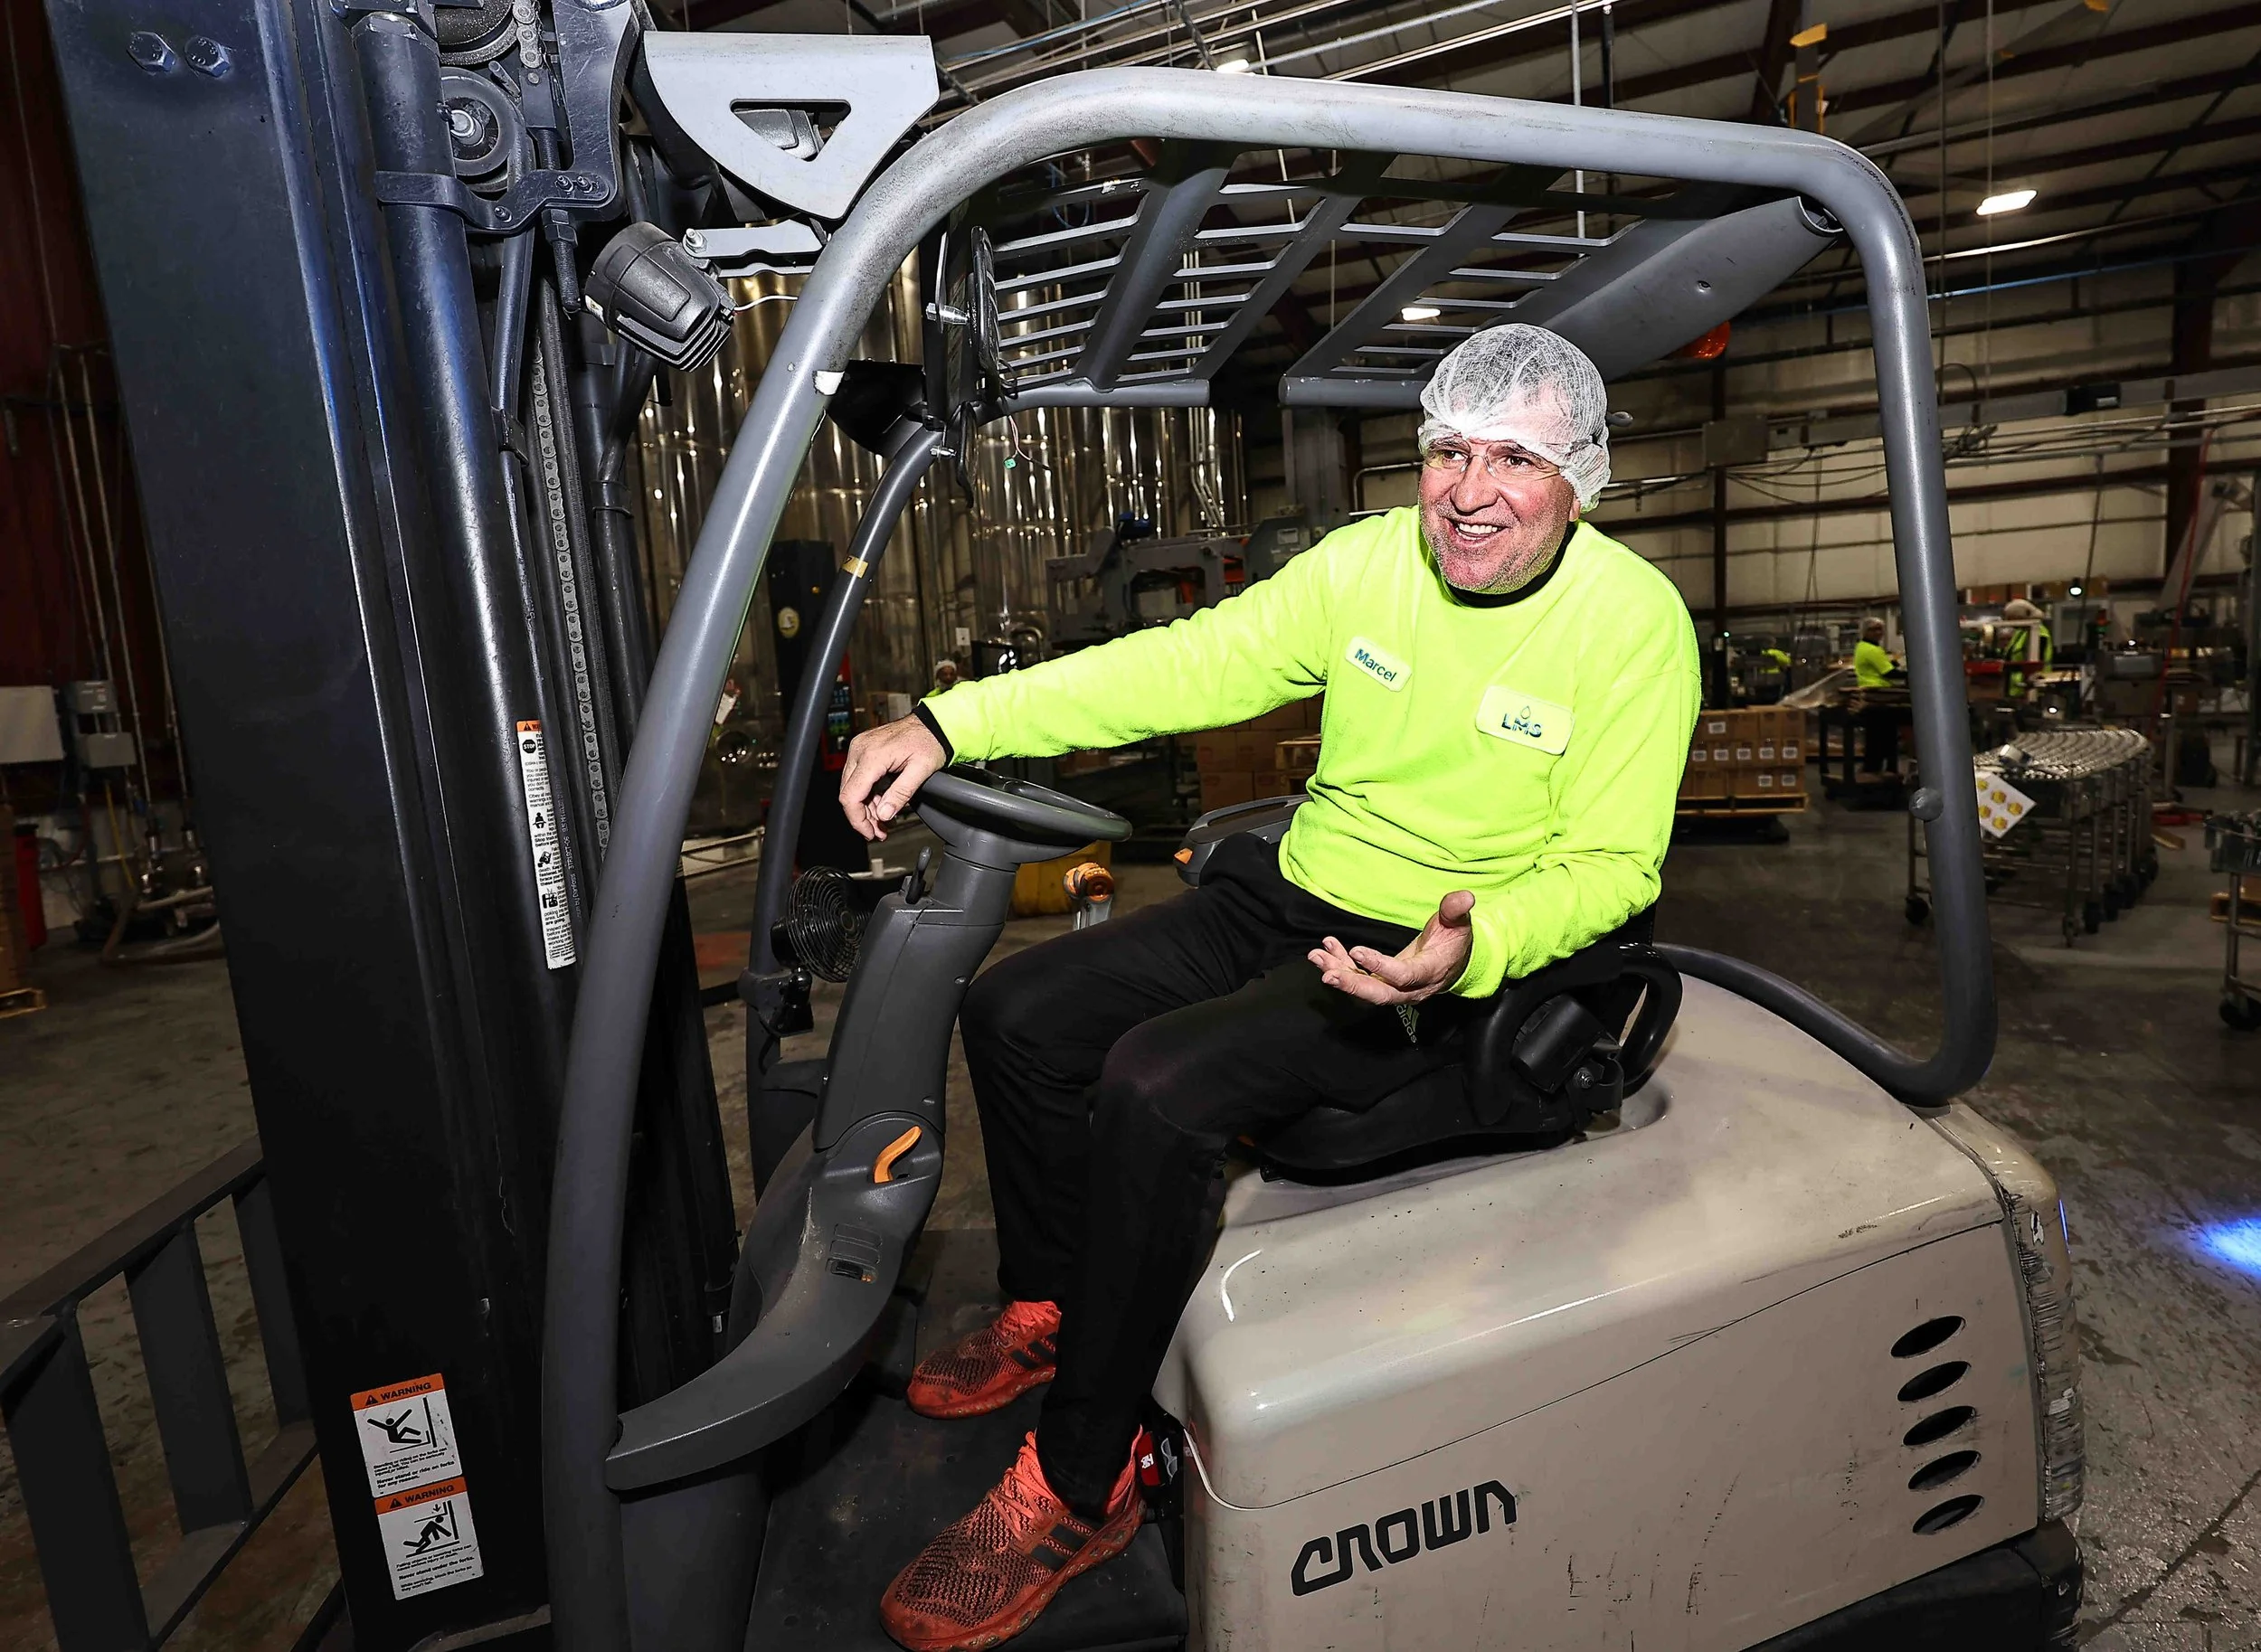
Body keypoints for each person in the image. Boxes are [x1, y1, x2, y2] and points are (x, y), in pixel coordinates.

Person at [837, 324, 1701, 1652]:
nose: (1470, 489)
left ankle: (1084, 1477)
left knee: (1156, 1083)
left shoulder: (1632, 625)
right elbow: (1179, 666)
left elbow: (1613, 865)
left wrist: (1481, 938)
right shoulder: (1365, 565)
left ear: (1580, 477)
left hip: (1439, 957)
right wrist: (954, 718)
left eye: (1516, 459)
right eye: (1450, 450)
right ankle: (1058, 1297)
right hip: (1294, 895)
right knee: (1018, 1013)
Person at [1852, 618, 1903, 776]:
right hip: (1878, 696)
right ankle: (1886, 770)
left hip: (1874, 694)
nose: (1878, 633)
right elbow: (1889, 673)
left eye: (1880, 629)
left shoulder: (1864, 646)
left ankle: (1875, 769)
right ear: (1865, 631)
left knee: (1876, 737)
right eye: (1874, 629)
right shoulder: (1871, 650)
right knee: (1885, 737)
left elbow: (1883, 665)